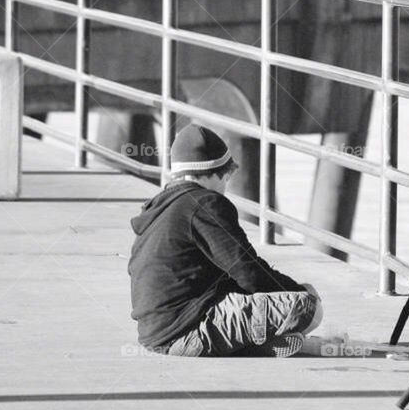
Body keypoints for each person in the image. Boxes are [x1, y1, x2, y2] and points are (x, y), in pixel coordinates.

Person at [128, 124, 322, 357]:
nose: (224, 188)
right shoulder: (205, 203)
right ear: (214, 174)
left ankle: (263, 343)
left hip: (154, 334)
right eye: (226, 178)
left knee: (270, 297)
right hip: (186, 332)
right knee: (308, 306)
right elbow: (247, 270)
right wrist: (298, 291)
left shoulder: (161, 207)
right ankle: (260, 338)